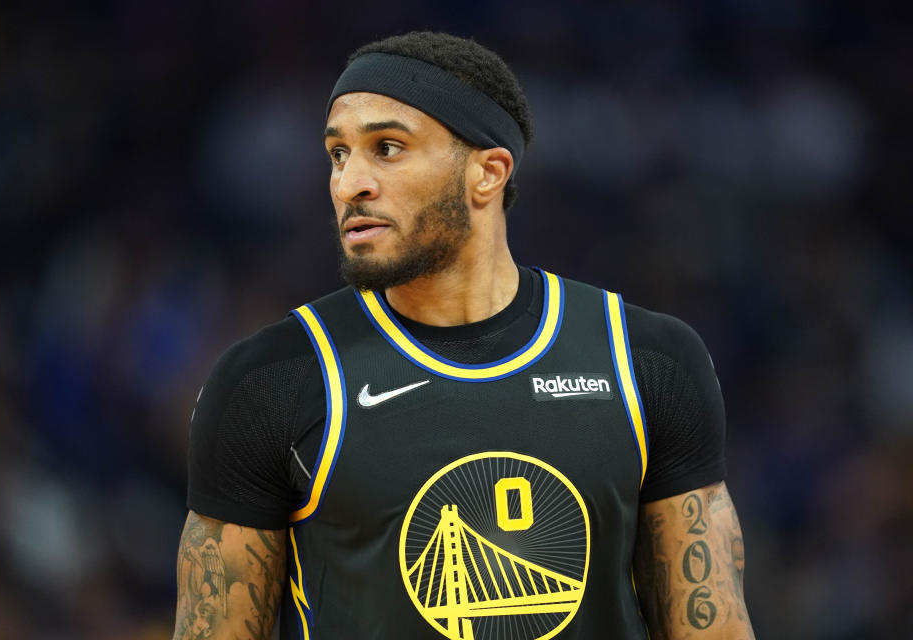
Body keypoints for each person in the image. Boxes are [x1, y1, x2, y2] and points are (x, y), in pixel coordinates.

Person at [173, 31, 755, 640]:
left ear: (488, 172)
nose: (349, 185)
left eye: (388, 148)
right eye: (338, 154)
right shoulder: (269, 380)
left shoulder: (648, 360)